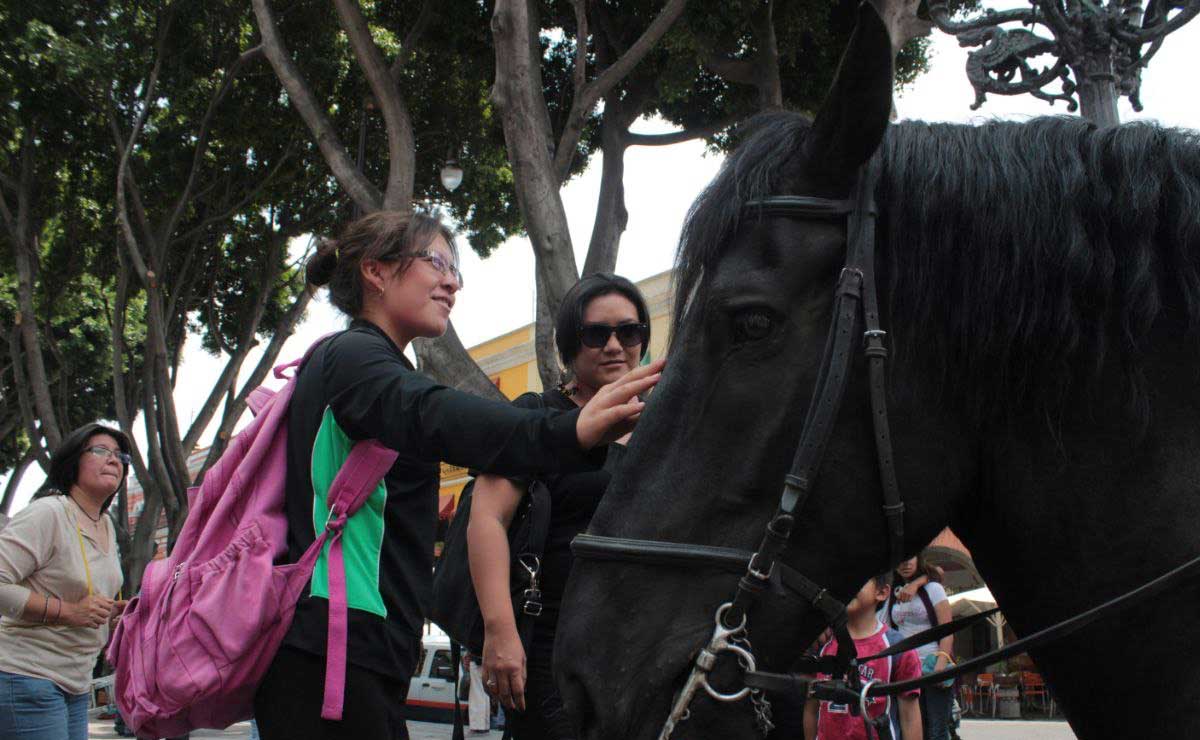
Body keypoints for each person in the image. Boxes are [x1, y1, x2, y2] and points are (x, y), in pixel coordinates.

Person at [251, 212, 662, 740]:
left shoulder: (368, 363)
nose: (452, 283)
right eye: (437, 263)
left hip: (357, 650)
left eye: (455, 270)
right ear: (376, 271)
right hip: (333, 651)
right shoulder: (353, 357)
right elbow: (438, 416)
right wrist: (570, 431)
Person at [467, 273, 652, 739]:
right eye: (596, 334)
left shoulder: (666, 423)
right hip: (553, 641)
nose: (614, 345)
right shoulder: (537, 415)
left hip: (647, 645)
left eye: (628, 331)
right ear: (571, 342)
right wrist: (499, 630)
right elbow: (487, 517)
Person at [0, 423, 131, 740]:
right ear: (73, 461)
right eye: (100, 450)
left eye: (119, 455)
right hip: (26, 676)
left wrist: (112, 614)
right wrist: (69, 612)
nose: (113, 459)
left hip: (76, 682)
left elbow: (81, 595)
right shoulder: (49, 513)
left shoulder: (107, 524)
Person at [804, 573, 922, 740]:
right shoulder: (822, 644)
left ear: (882, 592)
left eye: (858, 579)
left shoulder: (898, 650)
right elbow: (811, 709)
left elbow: (910, 718)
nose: (848, 586)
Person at [886, 553, 954, 740]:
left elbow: (947, 630)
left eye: (910, 557)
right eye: (900, 559)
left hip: (931, 666)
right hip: (905, 670)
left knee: (937, 731)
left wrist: (941, 664)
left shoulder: (933, 588)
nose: (905, 563)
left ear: (919, 559)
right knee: (910, 729)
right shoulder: (894, 593)